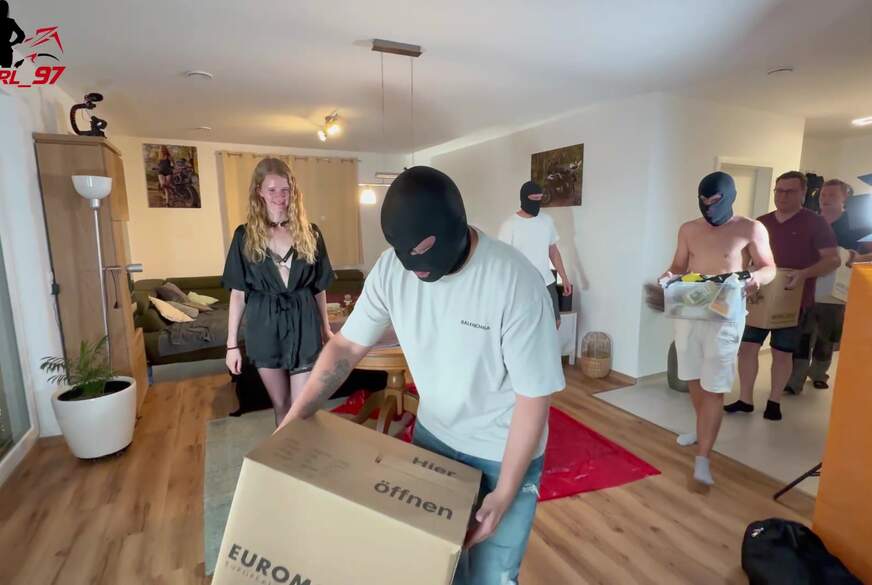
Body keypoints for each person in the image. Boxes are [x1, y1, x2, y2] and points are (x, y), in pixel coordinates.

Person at [278, 166, 565, 585]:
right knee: (434, 569)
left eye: (423, 252)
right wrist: (295, 416)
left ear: (454, 227)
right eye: (403, 254)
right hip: (434, 439)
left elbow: (534, 397)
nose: (414, 269)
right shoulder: (391, 270)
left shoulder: (516, 283)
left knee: (492, 577)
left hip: (500, 450)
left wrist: (504, 493)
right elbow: (345, 347)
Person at [661, 171, 776, 486]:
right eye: (704, 201)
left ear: (729, 197)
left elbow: (769, 266)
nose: (709, 207)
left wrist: (757, 278)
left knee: (714, 385)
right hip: (690, 308)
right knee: (693, 377)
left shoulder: (750, 228)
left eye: (715, 201)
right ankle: (702, 430)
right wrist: (668, 276)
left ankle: (703, 457)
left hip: (726, 313)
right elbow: (679, 265)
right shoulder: (689, 229)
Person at [222, 158, 334, 426]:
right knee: (281, 405)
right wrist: (231, 345)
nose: (279, 196)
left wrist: (326, 329)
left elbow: (318, 289)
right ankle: (286, 452)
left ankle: (303, 452)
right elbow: (238, 294)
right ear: (259, 191)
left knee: (301, 408)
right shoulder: (244, 236)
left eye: (285, 189)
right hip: (264, 326)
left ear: (293, 191)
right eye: (272, 190)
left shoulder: (311, 233)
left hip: (304, 324)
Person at [726, 171, 839, 421]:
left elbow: (833, 260)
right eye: (779, 191)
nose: (783, 196)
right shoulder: (761, 223)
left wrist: (804, 273)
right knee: (747, 348)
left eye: (790, 191)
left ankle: (774, 401)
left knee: (782, 352)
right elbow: (745, 255)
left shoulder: (815, 223)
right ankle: (745, 399)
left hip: (793, 301)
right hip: (758, 298)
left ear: (803, 193)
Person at [787, 179, 864, 392]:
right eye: (823, 194)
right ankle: (795, 379)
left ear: (845, 197)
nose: (825, 199)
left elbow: (868, 255)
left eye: (832, 195)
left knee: (826, 335)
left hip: (836, 290)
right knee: (801, 334)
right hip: (807, 285)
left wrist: (854, 256)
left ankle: (819, 373)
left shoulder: (855, 225)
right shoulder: (810, 221)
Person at [498, 180, 572, 328]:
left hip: (546, 282)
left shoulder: (547, 221)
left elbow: (553, 251)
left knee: (555, 323)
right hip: (522, 285)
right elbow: (503, 259)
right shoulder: (510, 225)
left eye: (540, 198)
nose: (537, 203)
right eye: (534, 199)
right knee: (526, 326)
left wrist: (564, 277)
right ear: (524, 198)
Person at [0, 0, 25, 69]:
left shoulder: (10, 22)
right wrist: (12, 43)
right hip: (6, 51)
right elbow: (21, 35)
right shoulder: (10, 22)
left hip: (6, 51)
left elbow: (21, 35)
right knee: (6, 72)